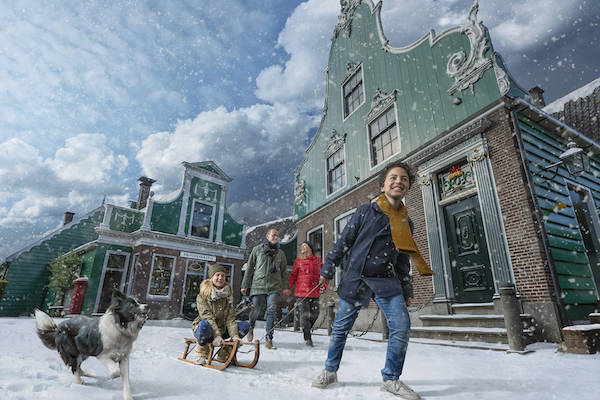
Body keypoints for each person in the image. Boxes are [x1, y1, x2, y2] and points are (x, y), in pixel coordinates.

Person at [311, 160, 434, 399]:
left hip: (387, 281)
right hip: (357, 278)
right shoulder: (365, 211)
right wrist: (327, 270)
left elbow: (402, 260)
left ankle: (391, 378)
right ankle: (330, 370)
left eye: (404, 179)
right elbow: (343, 242)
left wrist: (407, 290)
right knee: (340, 329)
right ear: (383, 186)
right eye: (393, 178)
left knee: (402, 326)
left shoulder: (406, 222)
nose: (399, 181)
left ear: (407, 187)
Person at [241, 228, 291, 349]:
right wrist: (244, 284)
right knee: (255, 310)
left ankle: (269, 338)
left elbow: (284, 272)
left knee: (271, 311)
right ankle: (251, 327)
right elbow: (249, 268)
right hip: (258, 284)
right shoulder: (257, 250)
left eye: (277, 236)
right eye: (273, 235)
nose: (275, 237)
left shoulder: (280, 254)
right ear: (267, 236)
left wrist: (286, 287)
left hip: (274, 286)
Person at [191, 263, 250, 365]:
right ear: (211, 277)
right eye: (217, 275)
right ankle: (201, 354)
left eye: (223, 275)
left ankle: (225, 351)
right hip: (205, 329)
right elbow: (207, 316)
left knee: (245, 326)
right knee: (205, 324)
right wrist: (217, 335)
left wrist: (235, 335)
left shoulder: (227, 295)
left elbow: (230, 319)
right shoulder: (202, 296)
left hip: (222, 329)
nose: (220, 278)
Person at [289, 241, 325, 347]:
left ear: (310, 248)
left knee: (315, 314)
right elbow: (293, 276)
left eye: (305, 246)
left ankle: (307, 328)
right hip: (301, 293)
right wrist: (288, 287)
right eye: (302, 246)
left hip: (314, 292)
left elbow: (323, 276)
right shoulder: (298, 261)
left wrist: (324, 286)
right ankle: (307, 338)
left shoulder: (318, 261)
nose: (302, 248)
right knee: (304, 316)